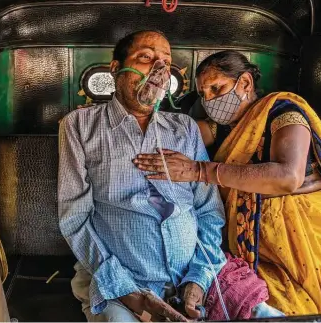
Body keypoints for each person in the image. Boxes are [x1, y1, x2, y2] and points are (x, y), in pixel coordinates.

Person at [133, 50, 321, 316]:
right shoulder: (222, 126)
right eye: (204, 94)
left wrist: (199, 171)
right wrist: (137, 113)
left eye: (216, 88)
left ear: (245, 83)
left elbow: (288, 177)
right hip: (249, 240)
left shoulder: (283, 111)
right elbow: (179, 133)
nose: (210, 99)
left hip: (299, 235)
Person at [58, 30, 228, 322]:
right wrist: (131, 295)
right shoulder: (80, 126)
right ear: (116, 69)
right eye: (147, 58)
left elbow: (209, 212)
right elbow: (75, 218)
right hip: (118, 284)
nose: (159, 70)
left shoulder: (185, 129)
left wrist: (198, 279)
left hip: (191, 278)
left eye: (166, 62)